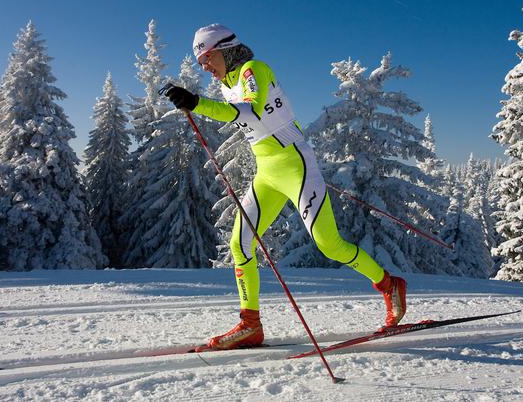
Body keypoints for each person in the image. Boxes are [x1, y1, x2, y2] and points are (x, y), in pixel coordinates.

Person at [163, 24, 407, 351]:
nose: (204, 66)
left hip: (296, 166)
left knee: (329, 244)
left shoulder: (254, 69)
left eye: (206, 57)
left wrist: (196, 103)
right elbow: (239, 116)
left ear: (224, 48)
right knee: (240, 244)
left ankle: (390, 285)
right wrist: (197, 103)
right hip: (267, 174)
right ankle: (250, 325)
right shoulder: (227, 85)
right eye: (200, 62)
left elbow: (248, 110)